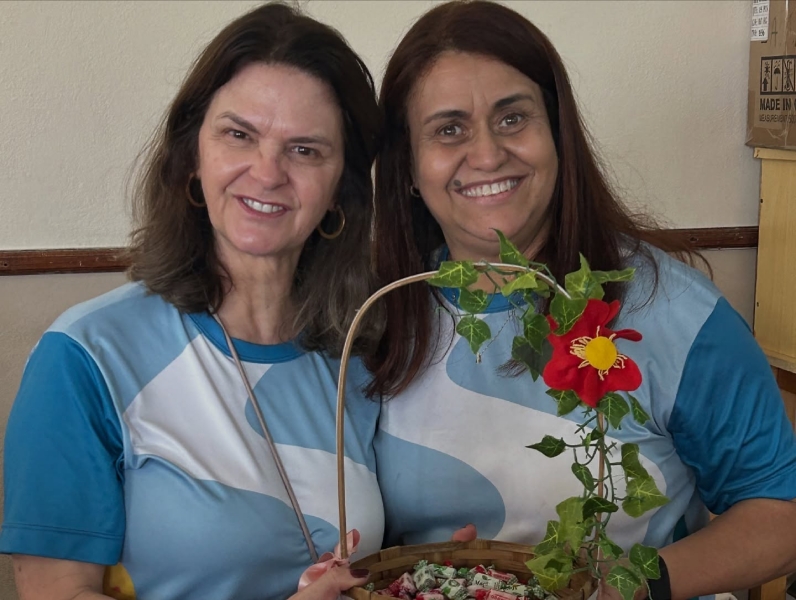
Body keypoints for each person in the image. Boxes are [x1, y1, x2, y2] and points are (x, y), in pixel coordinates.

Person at [367, 1, 796, 599]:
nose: (487, 155)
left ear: (557, 134)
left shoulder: (675, 311)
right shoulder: (377, 317)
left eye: (513, 118)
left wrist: (632, 587)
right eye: (449, 129)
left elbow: (780, 511)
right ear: (409, 167)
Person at [0, 3, 383, 599]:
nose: (267, 172)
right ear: (192, 157)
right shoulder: (85, 354)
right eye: (239, 135)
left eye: (305, 149)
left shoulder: (362, 350)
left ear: (341, 189)